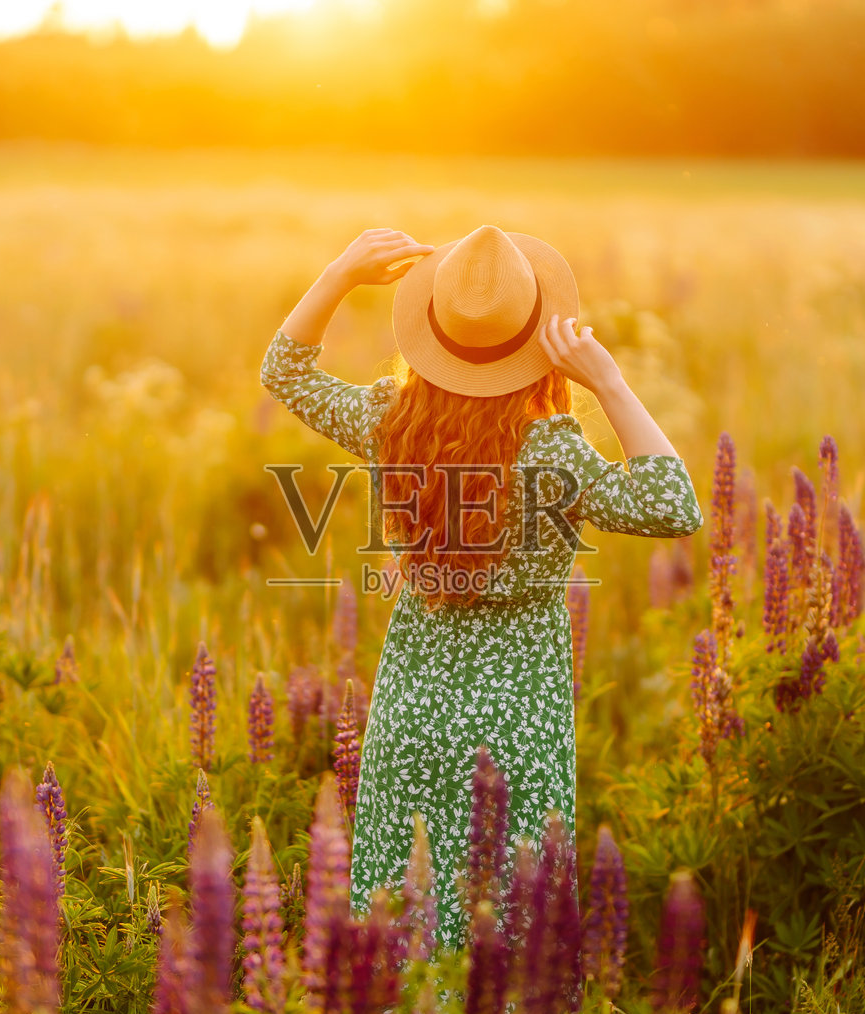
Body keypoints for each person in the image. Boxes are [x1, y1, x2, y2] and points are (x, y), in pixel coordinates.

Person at [262, 224, 702, 946]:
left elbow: (285, 371)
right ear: (536, 347)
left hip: (411, 713)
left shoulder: (391, 421)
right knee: (510, 928)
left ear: (433, 333)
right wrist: (610, 382)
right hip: (518, 725)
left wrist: (341, 273)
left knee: (403, 912)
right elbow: (673, 506)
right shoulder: (552, 452)